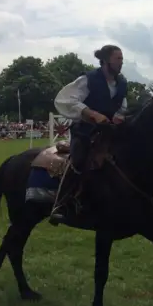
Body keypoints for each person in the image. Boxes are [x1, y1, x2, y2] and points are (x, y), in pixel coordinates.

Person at [49, 44, 128, 226]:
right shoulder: (89, 79)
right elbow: (65, 99)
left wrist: (119, 117)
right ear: (106, 61)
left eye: (122, 59)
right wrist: (91, 113)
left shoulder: (122, 83)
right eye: (118, 59)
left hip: (109, 133)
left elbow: (122, 106)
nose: (121, 62)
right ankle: (60, 204)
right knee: (78, 160)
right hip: (85, 132)